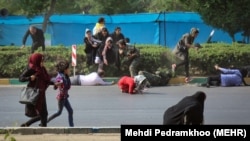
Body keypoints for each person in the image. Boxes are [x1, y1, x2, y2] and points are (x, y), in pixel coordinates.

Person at [19, 53, 51, 127]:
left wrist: (54, 83)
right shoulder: (31, 68)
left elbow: (45, 80)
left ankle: (40, 127)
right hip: (34, 94)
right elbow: (20, 78)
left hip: (41, 93)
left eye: (43, 60)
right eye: (41, 60)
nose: (43, 62)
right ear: (36, 60)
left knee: (44, 114)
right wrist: (29, 78)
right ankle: (28, 124)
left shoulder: (42, 69)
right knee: (42, 114)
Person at [47, 60, 74, 127]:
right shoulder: (60, 77)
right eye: (68, 68)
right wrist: (56, 84)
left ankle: (72, 127)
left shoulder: (66, 76)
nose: (69, 70)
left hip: (65, 97)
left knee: (70, 111)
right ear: (65, 70)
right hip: (61, 98)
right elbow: (55, 84)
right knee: (59, 112)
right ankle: (45, 121)